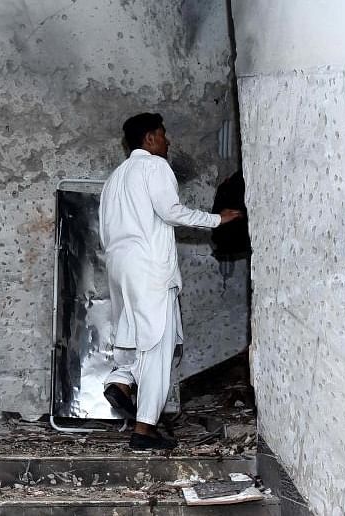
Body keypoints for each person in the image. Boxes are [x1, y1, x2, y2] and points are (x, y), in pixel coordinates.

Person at [99, 113, 242, 450]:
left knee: (134, 337)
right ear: (149, 139)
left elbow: (105, 230)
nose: (168, 141)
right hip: (149, 268)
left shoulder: (115, 179)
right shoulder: (154, 167)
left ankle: (121, 382)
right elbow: (171, 211)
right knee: (158, 346)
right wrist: (217, 219)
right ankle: (144, 429)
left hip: (120, 267)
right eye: (163, 134)